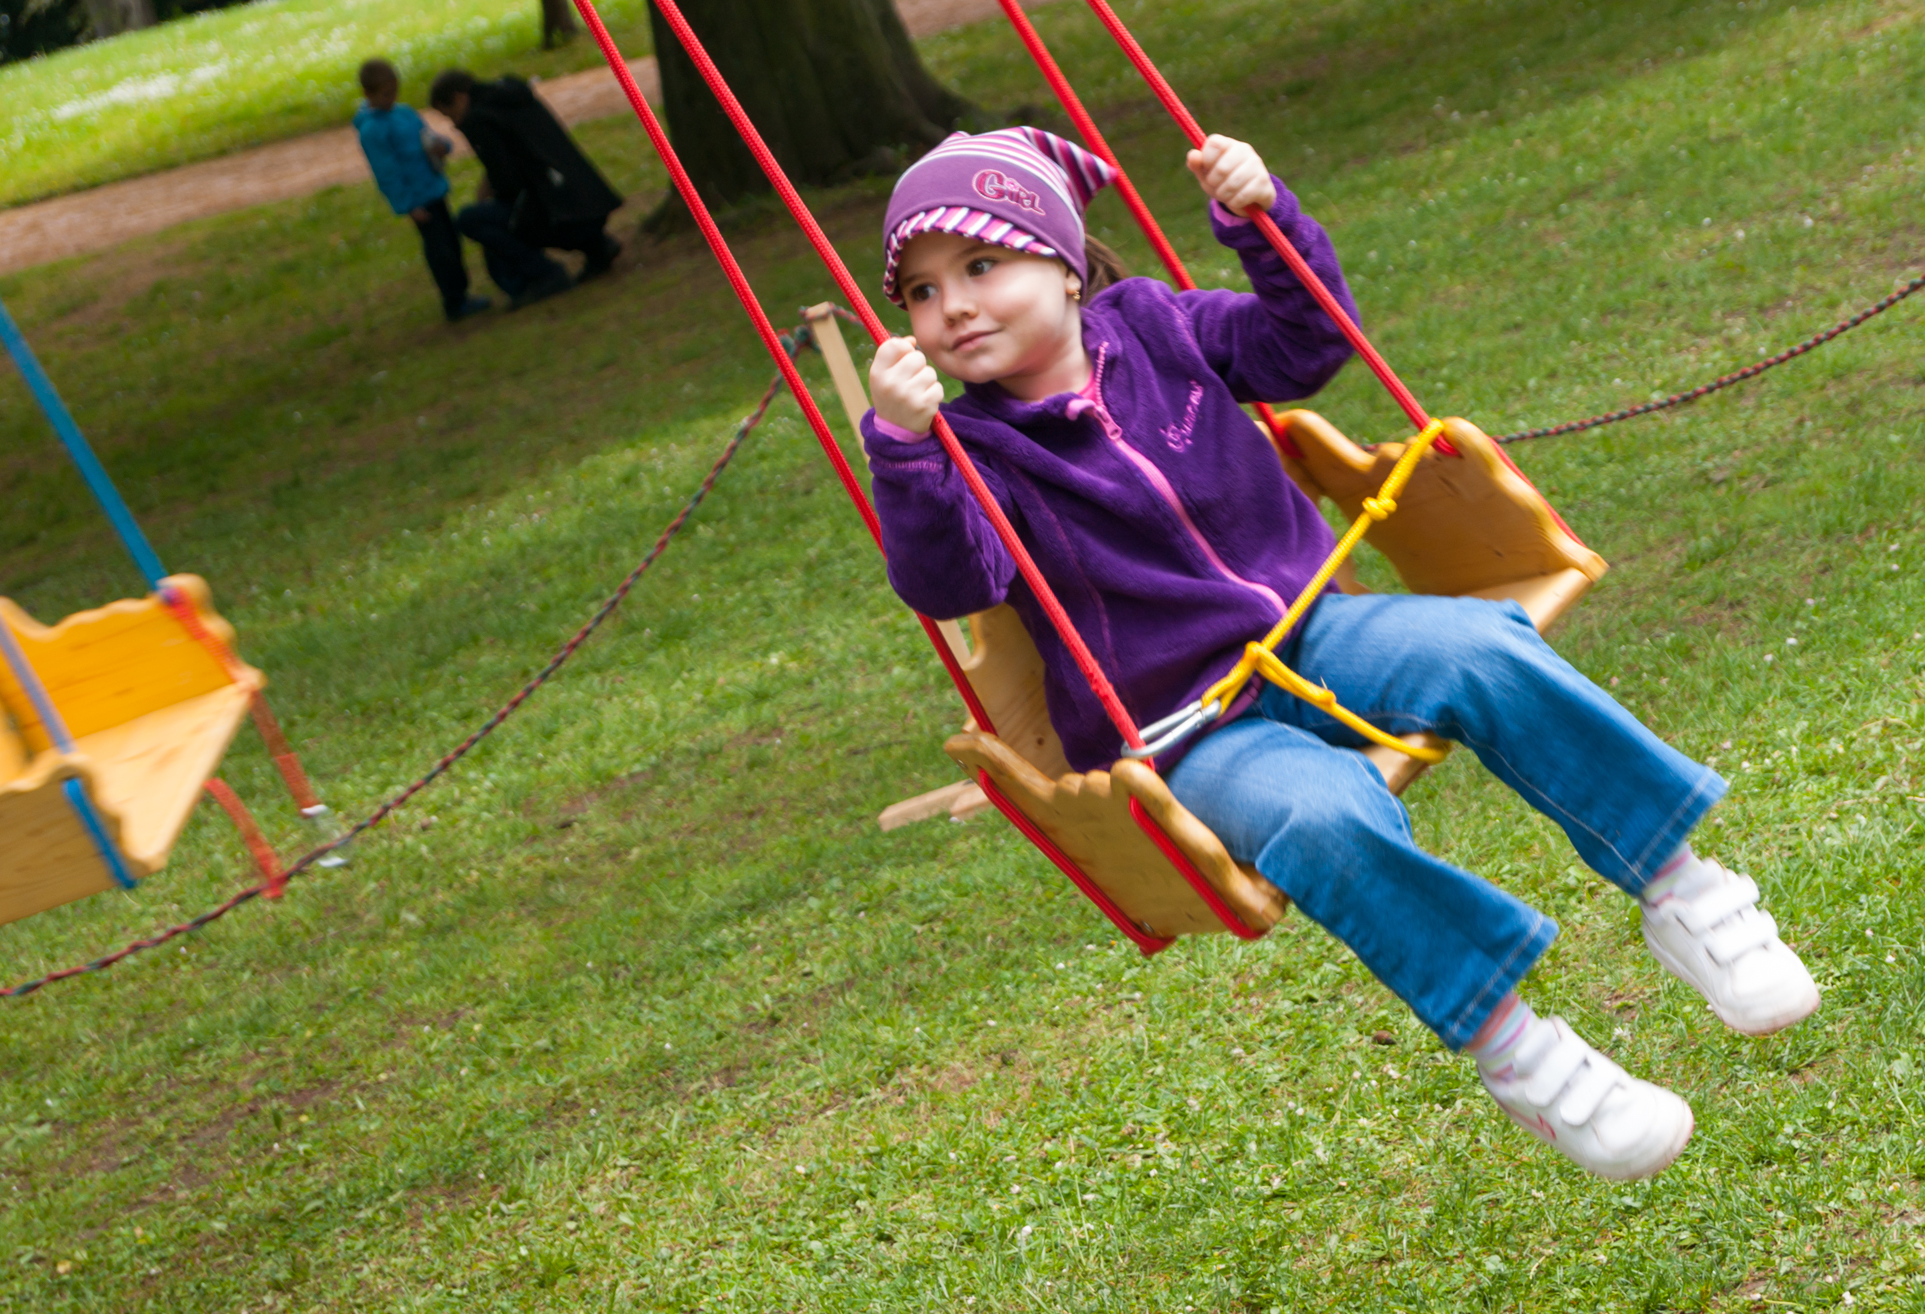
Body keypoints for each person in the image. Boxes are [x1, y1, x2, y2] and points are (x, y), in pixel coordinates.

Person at [860, 127, 1820, 1182]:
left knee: (1483, 648)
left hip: (1313, 625)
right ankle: (1522, 1054)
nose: (951, 307)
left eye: (981, 265)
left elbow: (1304, 344)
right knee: (1322, 820)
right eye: (920, 291)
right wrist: (904, 450)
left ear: (1064, 264)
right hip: (1184, 728)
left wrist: (1262, 222)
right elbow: (950, 581)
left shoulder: (1158, 326)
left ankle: (1683, 892)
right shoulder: (971, 451)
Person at [429, 68, 623, 307]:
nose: (453, 123)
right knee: (518, 206)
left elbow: (507, 180)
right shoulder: (511, 98)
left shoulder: (479, 119)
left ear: (459, 98)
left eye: (449, 114)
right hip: (588, 201)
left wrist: (495, 198)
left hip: (558, 214)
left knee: (473, 220)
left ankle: (545, 275)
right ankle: (597, 245)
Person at [353, 58, 490, 323]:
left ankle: (462, 292)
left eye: (394, 91)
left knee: (452, 241)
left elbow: (427, 136)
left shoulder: (404, 113)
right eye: (385, 94)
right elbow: (387, 173)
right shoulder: (372, 131)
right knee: (440, 250)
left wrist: (442, 146)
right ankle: (454, 300)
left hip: (434, 188)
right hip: (418, 200)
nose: (391, 99)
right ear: (368, 94)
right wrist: (407, 205)